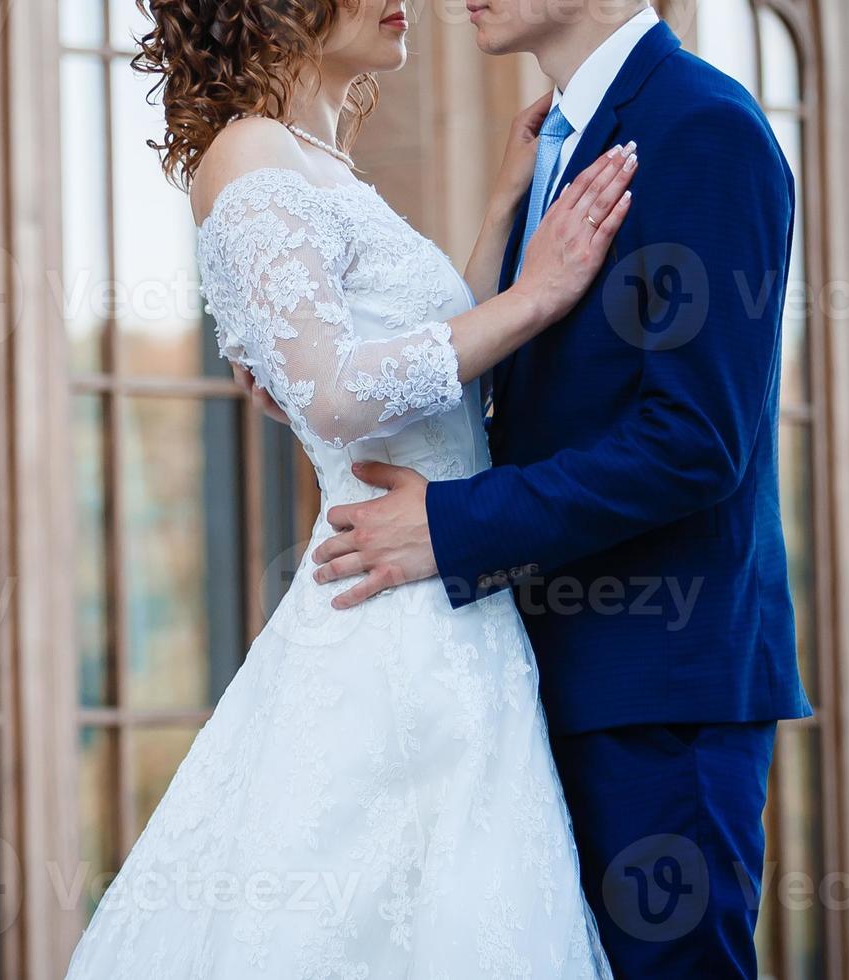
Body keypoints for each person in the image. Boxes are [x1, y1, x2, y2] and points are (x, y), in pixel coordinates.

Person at [63, 0, 644, 975]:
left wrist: (507, 206)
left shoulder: (324, 166)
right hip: (388, 610)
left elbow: (425, 383)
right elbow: (334, 393)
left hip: (455, 598)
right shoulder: (249, 154)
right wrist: (534, 294)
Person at [301, 1, 811, 976]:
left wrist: (447, 527)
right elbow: (554, 400)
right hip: (538, 677)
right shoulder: (556, 146)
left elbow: (696, 441)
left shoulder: (701, 128)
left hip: (652, 694)